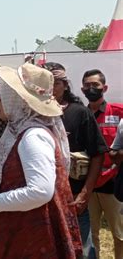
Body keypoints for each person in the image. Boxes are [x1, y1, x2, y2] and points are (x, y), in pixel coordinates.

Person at [0, 63, 82, 258]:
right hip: (25, 229)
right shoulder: (22, 131)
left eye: (5, 94)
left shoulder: (32, 136)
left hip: (32, 235)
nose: (0, 99)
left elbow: (40, 191)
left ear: (19, 100)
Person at [43, 62, 107, 259]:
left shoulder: (79, 113)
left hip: (74, 198)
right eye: (46, 83)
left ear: (65, 85)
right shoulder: (35, 115)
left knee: (84, 250)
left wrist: (85, 193)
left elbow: (97, 154)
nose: (51, 89)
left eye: (55, 83)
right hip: (45, 200)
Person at [82, 69, 123, 258]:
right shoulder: (81, 115)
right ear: (82, 88)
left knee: (119, 234)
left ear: (104, 88)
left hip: (114, 183)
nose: (91, 89)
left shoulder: (118, 112)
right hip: (88, 184)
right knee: (92, 234)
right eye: (87, 85)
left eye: (95, 85)